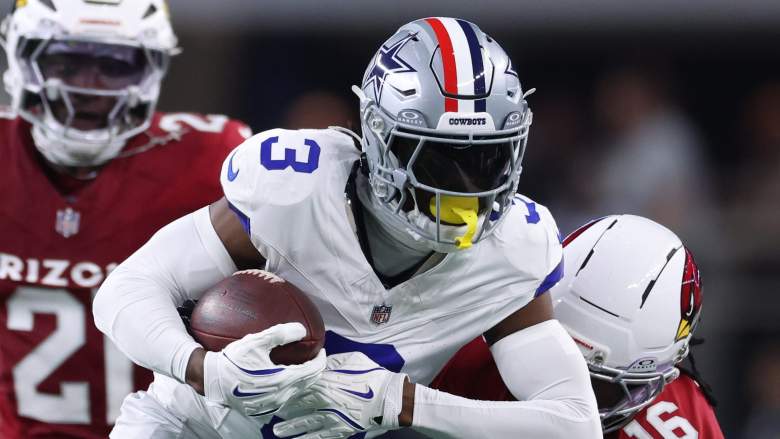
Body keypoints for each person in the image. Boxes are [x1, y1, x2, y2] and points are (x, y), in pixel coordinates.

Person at [93, 17, 600, 438]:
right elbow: (128, 288)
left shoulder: (514, 249)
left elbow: (575, 423)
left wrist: (404, 404)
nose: (463, 189)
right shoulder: (296, 189)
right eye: (438, 159)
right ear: (378, 137)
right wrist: (205, 369)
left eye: (487, 159)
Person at [0, 1, 250, 437]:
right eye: (65, 60)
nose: (88, 86)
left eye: (114, 64)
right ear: (20, 55)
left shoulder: (213, 160)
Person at [430, 215, 724, 438]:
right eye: (557, 361)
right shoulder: (478, 348)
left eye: (598, 386)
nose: (571, 398)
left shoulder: (678, 425)